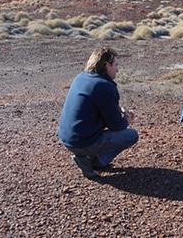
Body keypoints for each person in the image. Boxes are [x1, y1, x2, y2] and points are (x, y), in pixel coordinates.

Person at [57, 47, 139, 179]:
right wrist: (127, 120)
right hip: (82, 141)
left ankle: (86, 157)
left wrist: (120, 111)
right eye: (116, 65)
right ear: (107, 65)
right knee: (131, 135)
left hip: (66, 137)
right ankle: (94, 162)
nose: (117, 69)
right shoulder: (105, 86)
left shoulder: (81, 77)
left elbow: (100, 105)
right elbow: (116, 125)